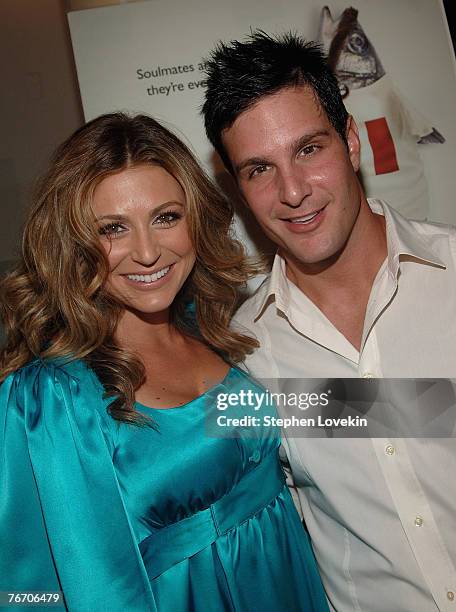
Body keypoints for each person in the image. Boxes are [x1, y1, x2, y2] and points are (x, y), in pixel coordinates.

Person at [0, 113, 329, 611]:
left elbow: (332, 416)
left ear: (194, 217)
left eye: (166, 217)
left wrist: (431, 405)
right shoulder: (51, 399)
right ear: (75, 244)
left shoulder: (218, 329)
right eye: (113, 229)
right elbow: (35, 588)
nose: (148, 252)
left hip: (292, 585)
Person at [202, 32, 456, 612]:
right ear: (237, 187)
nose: (292, 192)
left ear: (351, 140)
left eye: (308, 149)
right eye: (259, 169)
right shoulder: (244, 358)